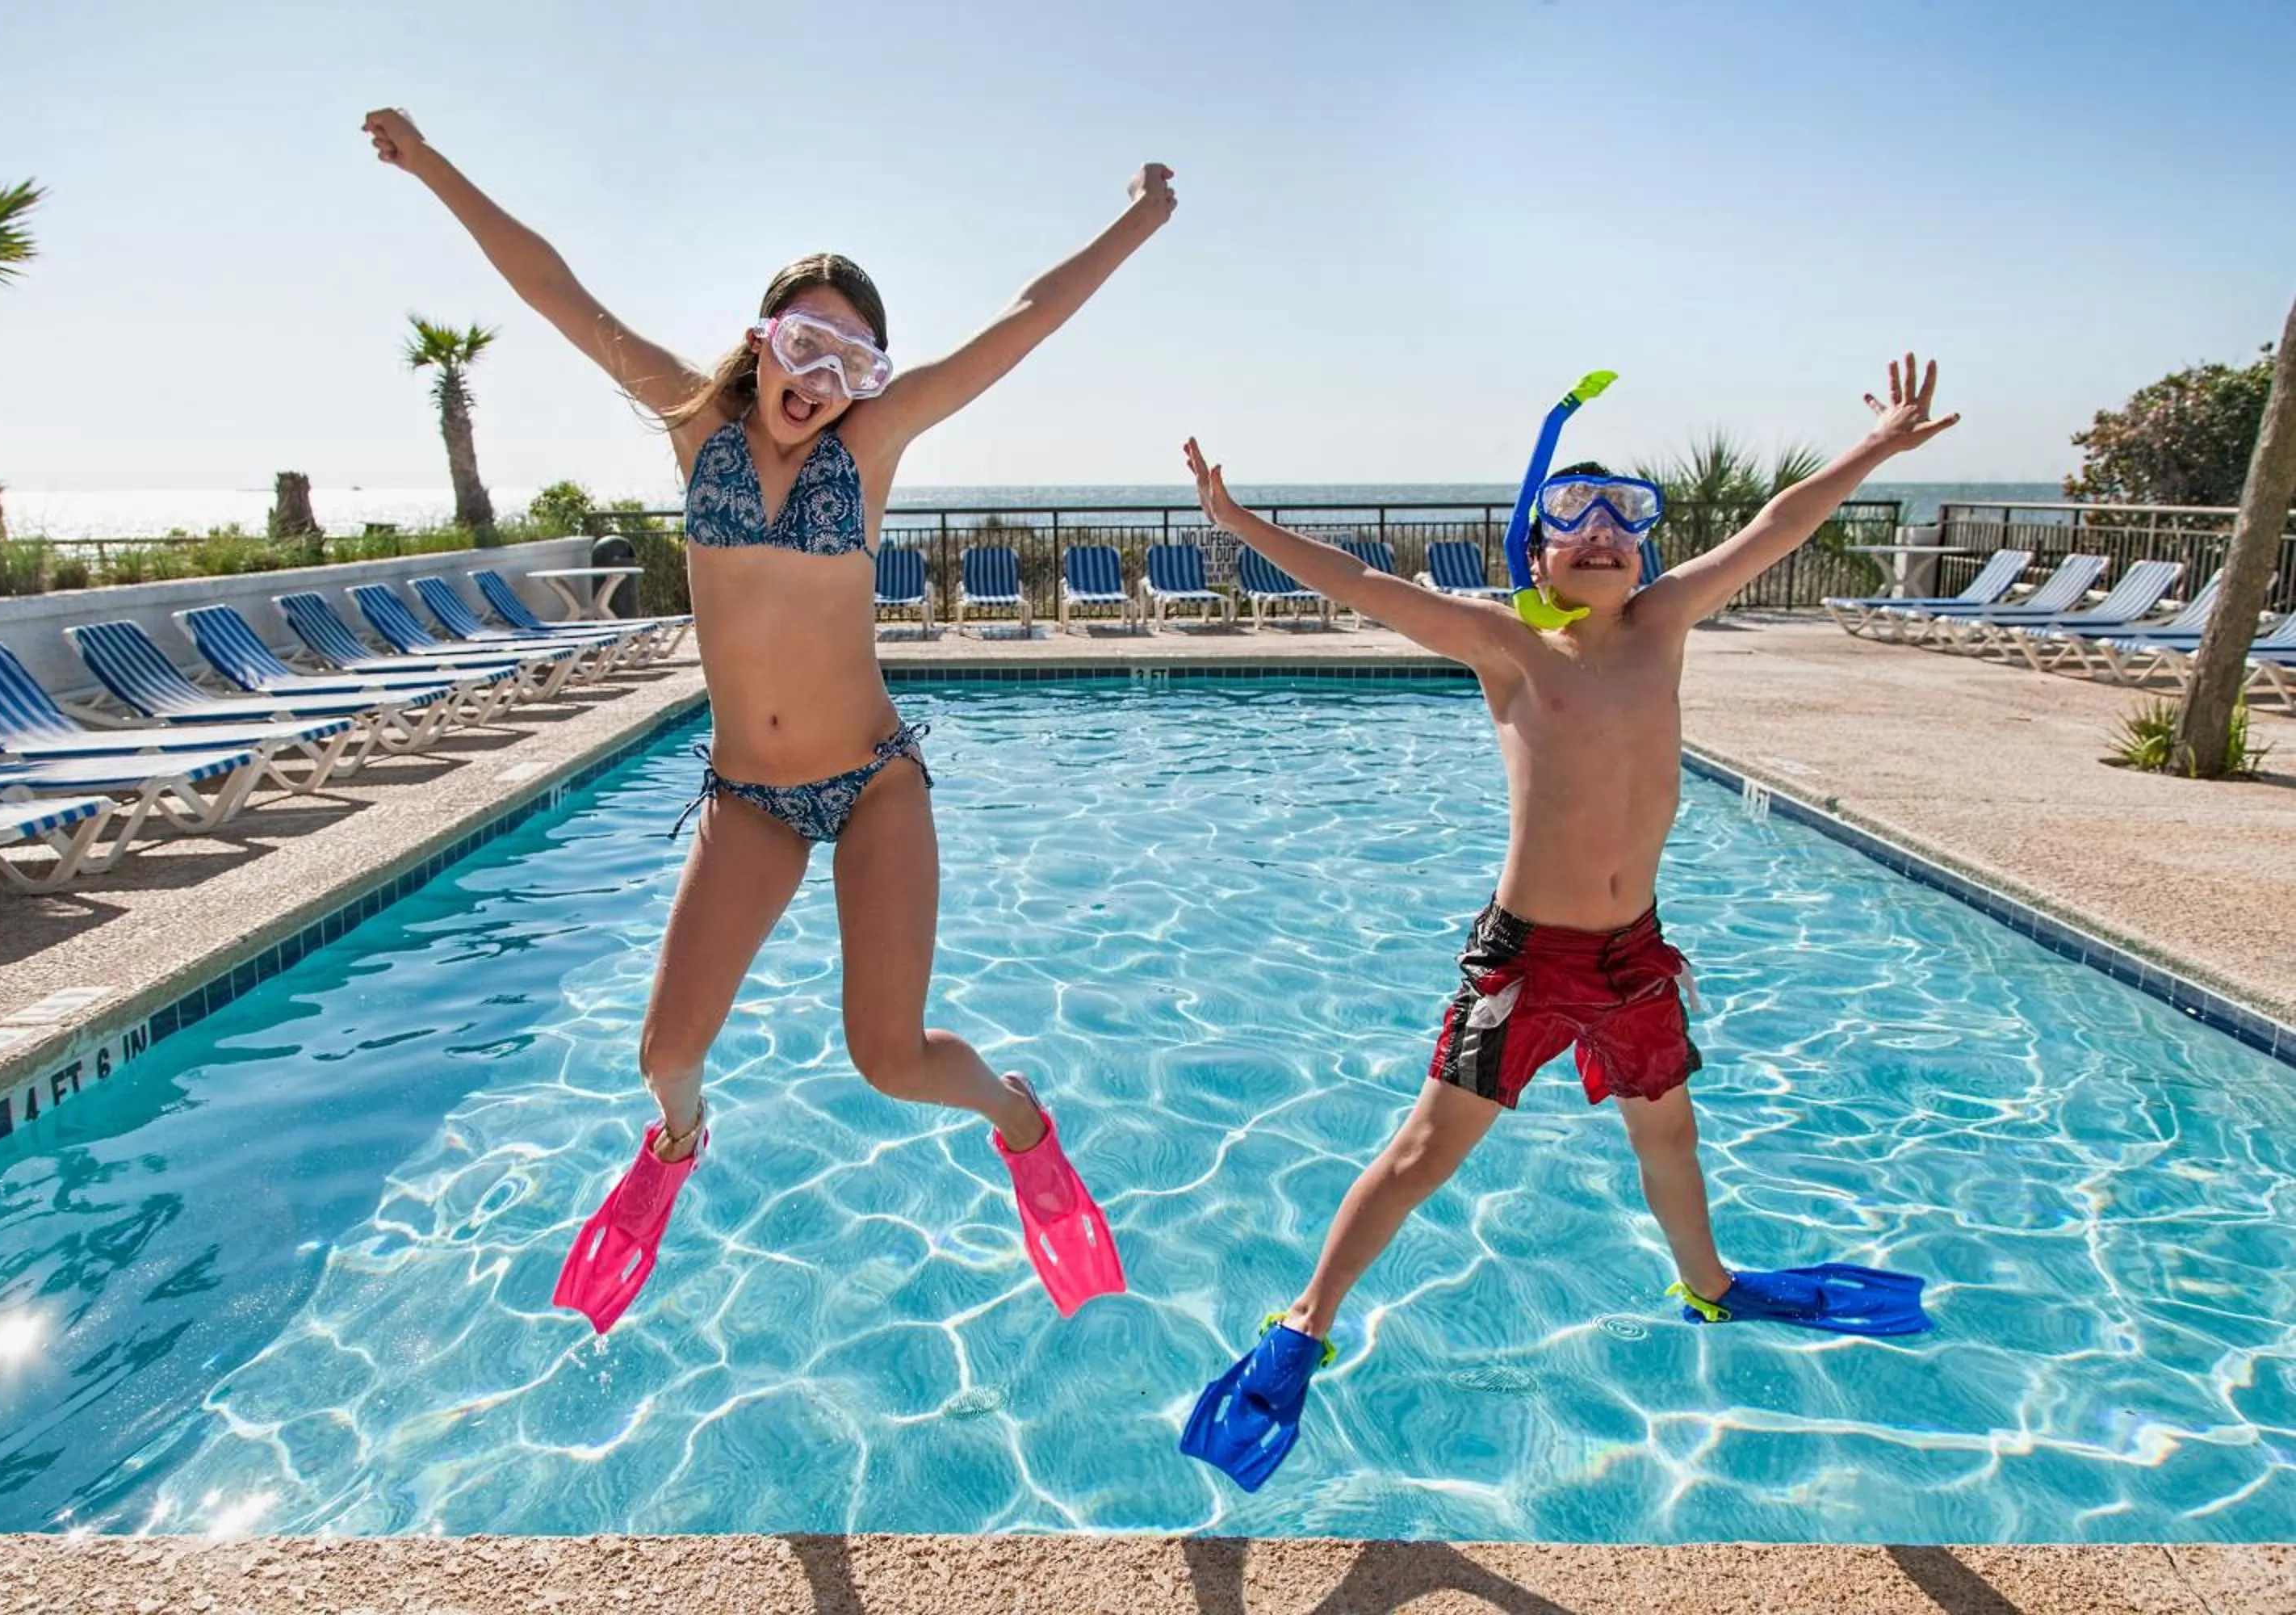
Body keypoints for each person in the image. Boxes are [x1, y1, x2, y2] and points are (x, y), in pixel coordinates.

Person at [360, 108, 1167, 1332]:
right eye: (807, 348)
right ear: (763, 340)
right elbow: (553, 289)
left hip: (874, 780)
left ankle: (1019, 1120)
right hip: (749, 798)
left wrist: (1141, 220)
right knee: (661, 1058)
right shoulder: (695, 429)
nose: (823, 383)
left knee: (888, 1061)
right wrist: (429, 168)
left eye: (855, 365)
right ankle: (679, 1146)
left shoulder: (874, 445)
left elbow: (1026, 317)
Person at [1173, 357, 1959, 1491]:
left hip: (1634, 955)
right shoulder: (1508, 646)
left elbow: (1781, 521)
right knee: (1422, 1153)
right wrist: (1237, 519)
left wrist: (1878, 448)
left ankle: (1710, 1283)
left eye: (1626, 518)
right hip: (1526, 964)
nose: (1603, 533)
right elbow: (1357, 579)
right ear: (1531, 555)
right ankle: (1302, 1323)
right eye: (1571, 520)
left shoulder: (1666, 617)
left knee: (1669, 1135)